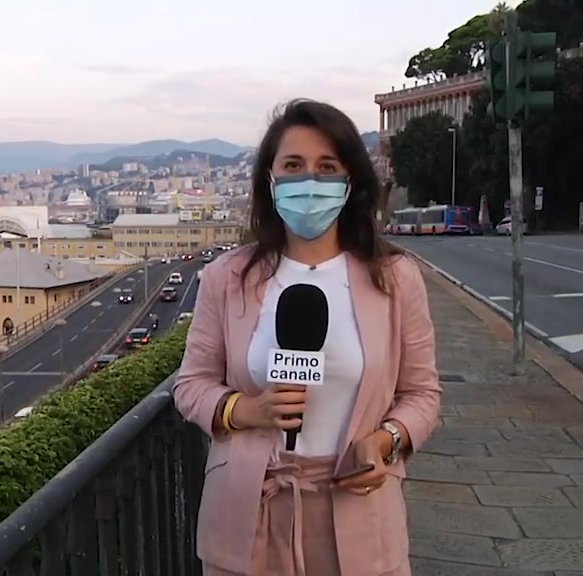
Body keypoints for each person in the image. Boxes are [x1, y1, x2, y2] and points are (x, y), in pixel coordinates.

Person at [173, 99, 441, 576]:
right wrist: (244, 410)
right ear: (271, 180)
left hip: (359, 512)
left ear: (349, 180)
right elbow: (191, 384)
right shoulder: (226, 277)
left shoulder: (396, 278)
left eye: (326, 167)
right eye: (294, 166)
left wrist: (385, 441)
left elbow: (421, 394)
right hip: (246, 517)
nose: (309, 181)